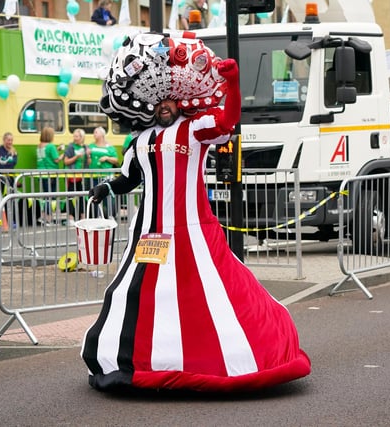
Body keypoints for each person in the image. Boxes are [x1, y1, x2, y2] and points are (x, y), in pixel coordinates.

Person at [82, 33, 310, 393]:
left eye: (170, 100)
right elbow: (128, 178)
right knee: (143, 292)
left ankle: (216, 355)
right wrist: (105, 188)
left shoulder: (196, 129)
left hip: (192, 227)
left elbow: (228, 120)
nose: (165, 106)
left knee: (201, 292)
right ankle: (135, 358)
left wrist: (233, 83)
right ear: (151, 103)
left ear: (180, 99)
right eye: (159, 101)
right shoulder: (141, 140)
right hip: (148, 233)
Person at [36, 126, 64, 225]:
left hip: (41, 173)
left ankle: (43, 216)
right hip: (51, 173)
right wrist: (63, 154)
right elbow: (56, 159)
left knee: (45, 196)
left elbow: (46, 156)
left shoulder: (39, 146)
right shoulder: (51, 146)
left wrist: (57, 149)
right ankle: (49, 218)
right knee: (50, 196)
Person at [63, 128, 90, 224]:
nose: (75, 138)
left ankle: (83, 216)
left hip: (82, 176)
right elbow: (66, 161)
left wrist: (89, 155)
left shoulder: (86, 147)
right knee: (70, 196)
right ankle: (70, 217)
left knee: (82, 196)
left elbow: (88, 163)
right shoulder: (71, 147)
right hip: (71, 176)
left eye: (77, 136)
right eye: (74, 136)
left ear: (82, 137)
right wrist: (76, 157)